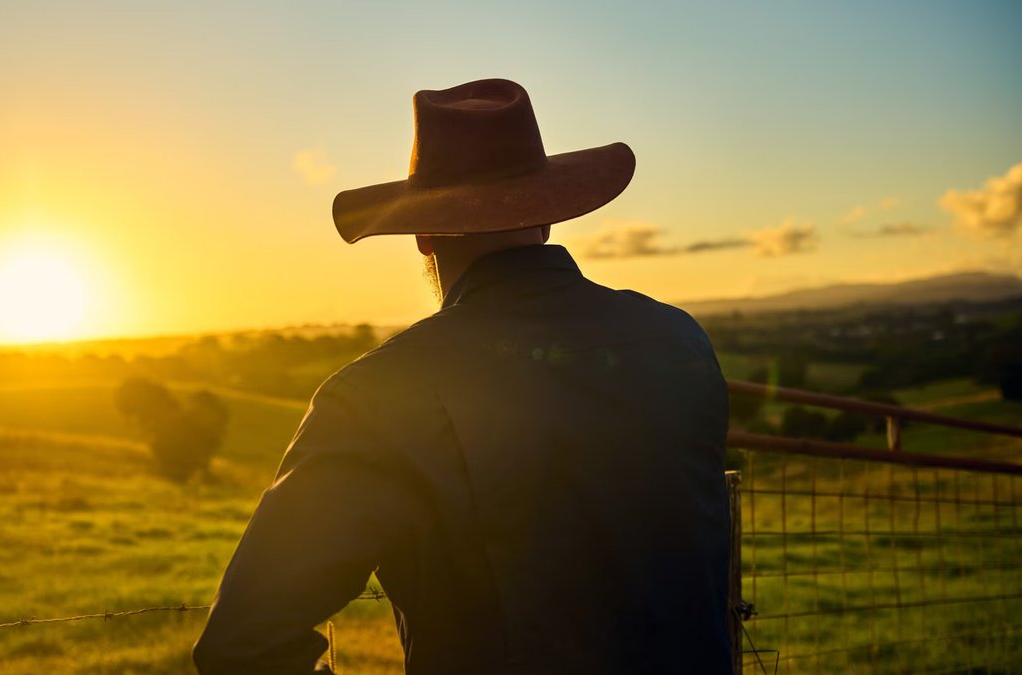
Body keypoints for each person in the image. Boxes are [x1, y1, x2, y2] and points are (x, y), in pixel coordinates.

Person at [193, 78, 731, 674]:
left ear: (421, 235)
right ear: (549, 217)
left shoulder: (379, 396)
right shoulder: (681, 341)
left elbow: (242, 646)